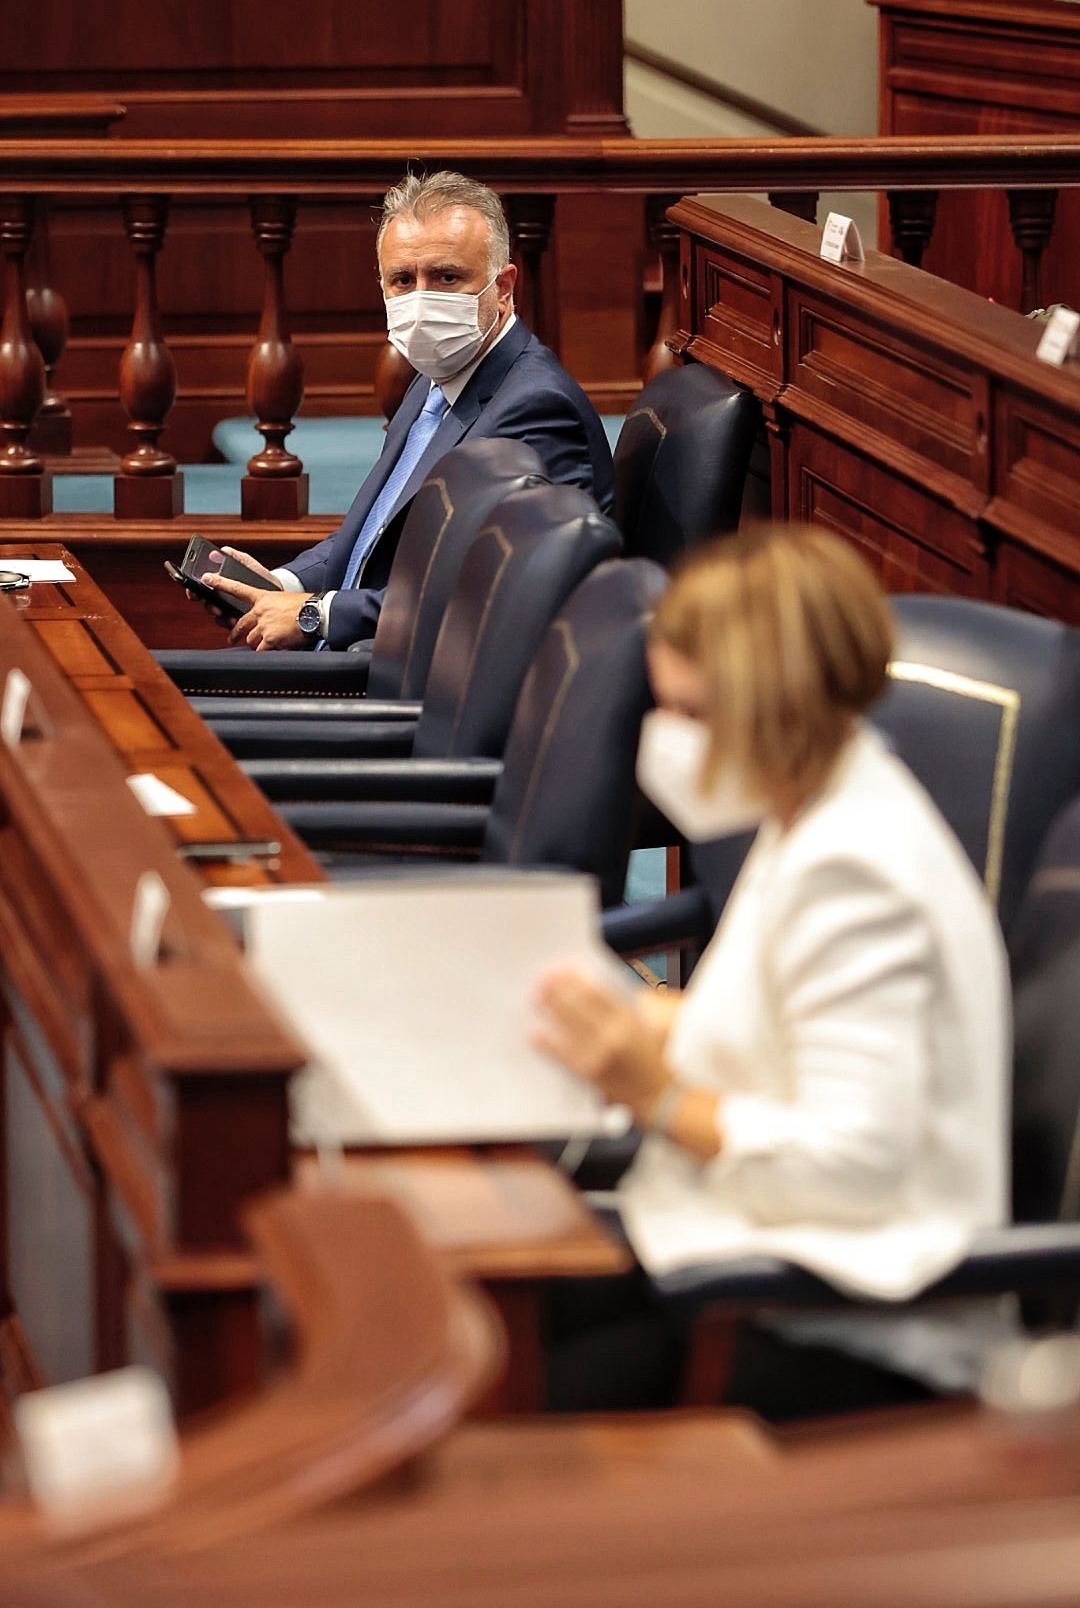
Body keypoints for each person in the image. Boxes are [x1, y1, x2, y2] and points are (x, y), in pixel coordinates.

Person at [534, 525, 1011, 1417]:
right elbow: (778, 1022)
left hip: (843, 1322)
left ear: (769, 708)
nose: (663, 739)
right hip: (744, 1252)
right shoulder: (813, 810)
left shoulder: (856, 868)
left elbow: (852, 1164)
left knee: (514, 1393)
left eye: (688, 713)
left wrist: (658, 1097)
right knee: (500, 1319)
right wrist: (636, 1019)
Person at [201, 170, 615, 652]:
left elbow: (490, 594)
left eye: (447, 277)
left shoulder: (536, 409)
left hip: (399, 682)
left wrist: (317, 615)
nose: (421, 299)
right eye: (403, 279)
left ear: (503, 287)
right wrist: (281, 585)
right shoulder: (435, 382)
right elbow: (370, 536)